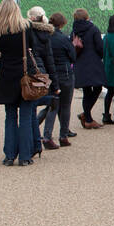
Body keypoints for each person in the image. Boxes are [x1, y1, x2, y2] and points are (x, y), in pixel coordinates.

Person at [0, 0, 40, 166]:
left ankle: (9, 155)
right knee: (25, 116)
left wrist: (4, 55)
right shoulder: (25, 27)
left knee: (10, 116)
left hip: (6, 75)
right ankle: (25, 156)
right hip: (24, 74)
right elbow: (33, 48)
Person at [25, 5, 59, 156]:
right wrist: (55, 84)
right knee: (50, 102)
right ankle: (45, 137)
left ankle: (35, 143)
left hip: (30, 74)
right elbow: (50, 61)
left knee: (30, 108)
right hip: (43, 75)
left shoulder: (26, 32)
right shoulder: (47, 34)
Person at [41, 12, 76, 148]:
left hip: (50, 75)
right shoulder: (63, 39)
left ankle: (47, 136)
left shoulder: (44, 37)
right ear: (61, 24)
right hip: (65, 75)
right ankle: (63, 136)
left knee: (52, 106)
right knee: (65, 106)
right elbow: (73, 57)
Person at [72, 8, 105, 128]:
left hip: (80, 63)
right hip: (93, 63)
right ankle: (87, 118)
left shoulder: (74, 31)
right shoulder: (93, 29)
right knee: (97, 88)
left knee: (87, 91)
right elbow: (100, 47)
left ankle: (87, 116)